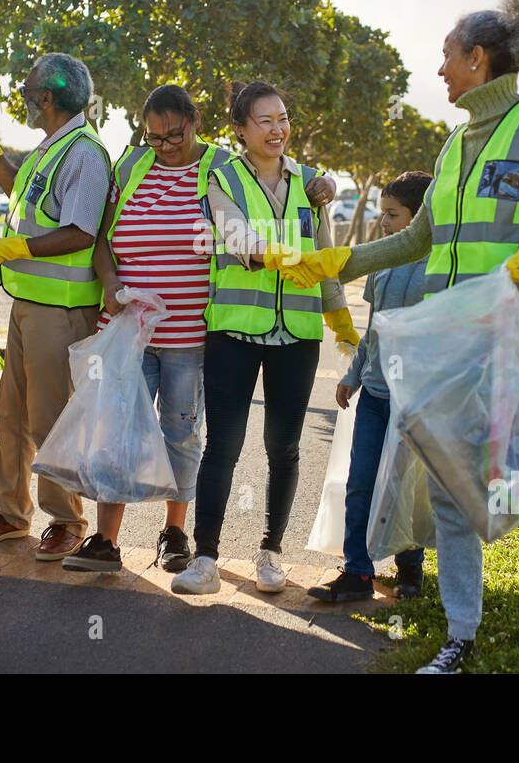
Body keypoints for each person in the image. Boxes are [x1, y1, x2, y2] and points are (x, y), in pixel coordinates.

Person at [278, 0, 519, 674]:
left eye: (448, 54)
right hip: (457, 347)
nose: (440, 69)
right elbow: (417, 240)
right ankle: (460, 637)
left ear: (478, 60)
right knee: (455, 494)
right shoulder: (454, 147)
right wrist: (336, 266)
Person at [63, 84, 337, 573]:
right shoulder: (132, 166)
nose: (165, 146)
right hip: (131, 327)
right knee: (117, 431)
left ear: (194, 122)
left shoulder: (221, 170)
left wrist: (323, 188)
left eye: (173, 135)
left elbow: (276, 197)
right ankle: (106, 541)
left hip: (190, 330)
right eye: (154, 138)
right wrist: (109, 282)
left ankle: (175, 533)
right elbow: (103, 238)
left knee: (182, 433)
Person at [171, 80, 359, 596]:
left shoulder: (311, 184)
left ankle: (271, 552)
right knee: (223, 445)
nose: (277, 130)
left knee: (284, 446)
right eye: (264, 121)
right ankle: (205, 558)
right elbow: (234, 236)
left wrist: (340, 321)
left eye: (283, 118)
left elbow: (326, 257)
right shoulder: (222, 178)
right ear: (240, 129)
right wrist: (278, 257)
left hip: (297, 337)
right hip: (234, 331)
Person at [0, 53, 110, 563]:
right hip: (29, 305)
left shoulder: (85, 153)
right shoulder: (52, 150)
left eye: (28, 92)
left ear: (46, 99)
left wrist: (16, 249)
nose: (24, 99)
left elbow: (80, 232)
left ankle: (67, 519)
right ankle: (10, 512)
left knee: (50, 421)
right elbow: (28, 203)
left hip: (60, 311)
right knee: (13, 417)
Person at [307, 170, 433, 603]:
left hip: (413, 401)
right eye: (381, 213)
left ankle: (410, 571)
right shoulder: (381, 265)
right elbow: (373, 328)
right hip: (375, 397)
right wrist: (353, 374)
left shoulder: (439, 268)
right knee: (359, 483)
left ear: (419, 220)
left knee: (404, 488)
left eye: (392, 215)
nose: (383, 223)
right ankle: (357, 573)